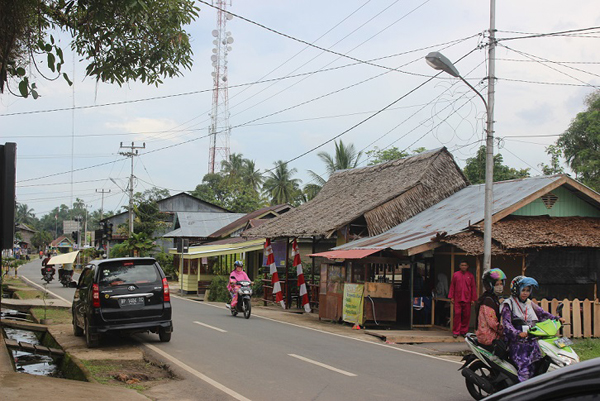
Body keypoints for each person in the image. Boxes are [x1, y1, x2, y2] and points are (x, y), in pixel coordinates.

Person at [501, 275, 565, 382]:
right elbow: (506, 324)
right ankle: (522, 391)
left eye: (528, 290)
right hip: (518, 344)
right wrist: (517, 333)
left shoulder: (529, 303)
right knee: (524, 369)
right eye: (523, 290)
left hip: (532, 340)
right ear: (516, 290)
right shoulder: (509, 304)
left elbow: (543, 314)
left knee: (537, 365)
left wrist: (557, 319)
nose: (525, 293)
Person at [475, 268, 506, 347]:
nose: (500, 287)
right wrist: (503, 331)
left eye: (501, 284)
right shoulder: (488, 301)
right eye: (497, 284)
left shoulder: (494, 299)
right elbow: (493, 323)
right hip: (488, 336)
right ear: (490, 286)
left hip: (492, 334)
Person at [448, 260, 477, 338]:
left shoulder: (470, 276)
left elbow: (473, 287)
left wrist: (473, 299)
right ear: (459, 266)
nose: (463, 267)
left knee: (466, 316)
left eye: (465, 265)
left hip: (467, 298)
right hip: (457, 298)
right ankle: (456, 331)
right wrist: (451, 297)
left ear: (467, 266)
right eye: (462, 265)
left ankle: (464, 331)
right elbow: (452, 286)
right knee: (457, 314)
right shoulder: (455, 275)